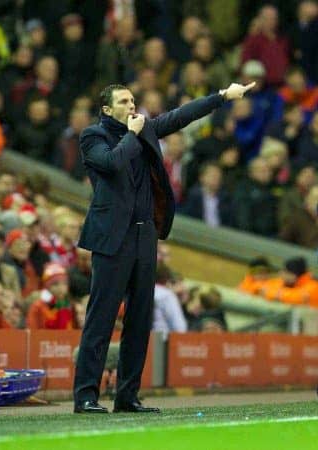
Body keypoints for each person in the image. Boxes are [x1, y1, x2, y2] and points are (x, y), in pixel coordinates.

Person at [73, 81, 255, 414]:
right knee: (101, 318)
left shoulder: (145, 129)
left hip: (145, 236)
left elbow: (180, 116)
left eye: (133, 100)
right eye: (124, 101)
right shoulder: (92, 137)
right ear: (106, 109)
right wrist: (133, 134)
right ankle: (86, 396)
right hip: (112, 238)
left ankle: (127, 397)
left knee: (140, 320)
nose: (132, 105)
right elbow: (113, 164)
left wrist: (222, 97)